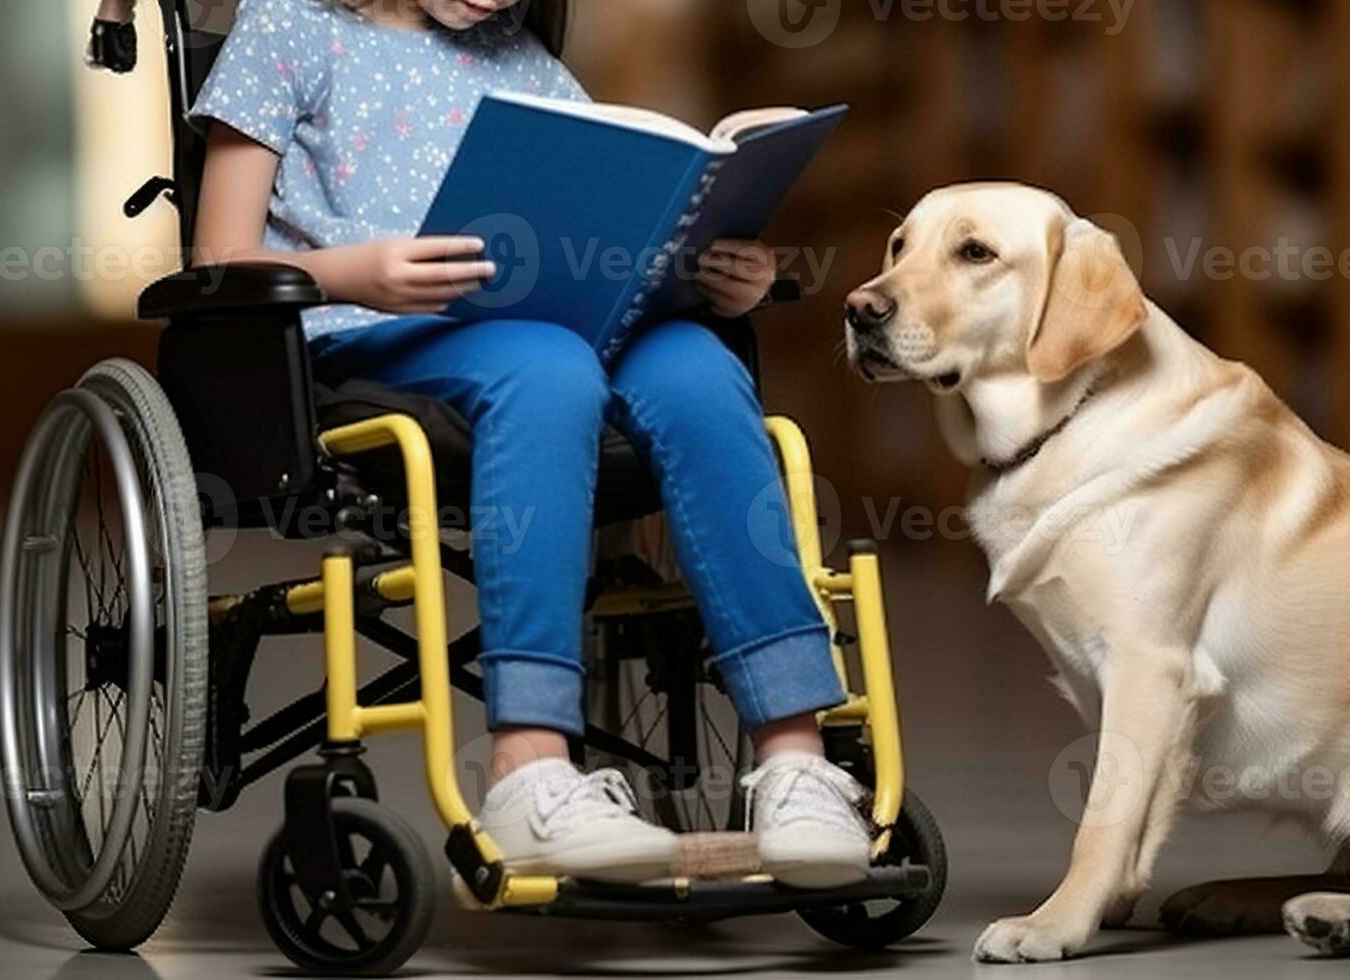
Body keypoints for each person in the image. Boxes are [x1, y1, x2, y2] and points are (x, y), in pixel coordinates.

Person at [190, 0, 870, 887]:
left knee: (697, 371)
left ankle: (793, 762)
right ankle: (529, 769)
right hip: (366, 341)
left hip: (550, 331)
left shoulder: (527, 66)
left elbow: (613, 238)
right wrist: (357, 271)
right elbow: (215, 259)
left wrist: (721, 276)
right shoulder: (288, 28)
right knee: (548, 368)